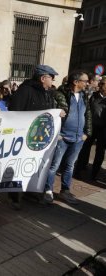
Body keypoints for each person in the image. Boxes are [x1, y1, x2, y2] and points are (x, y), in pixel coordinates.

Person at [9, 64, 63, 208]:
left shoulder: (48, 92)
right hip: (24, 137)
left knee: (35, 165)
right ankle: (15, 197)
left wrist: (57, 113)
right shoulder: (25, 90)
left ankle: (30, 191)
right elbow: (15, 111)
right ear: (43, 78)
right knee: (19, 167)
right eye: (51, 77)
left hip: (40, 137)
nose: (53, 80)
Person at [43, 71, 92, 205]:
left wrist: (86, 133)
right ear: (76, 82)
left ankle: (65, 191)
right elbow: (52, 114)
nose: (87, 83)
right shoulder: (60, 94)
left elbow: (88, 114)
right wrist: (57, 133)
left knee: (70, 166)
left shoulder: (84, 95)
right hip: (62, 137)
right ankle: (48, 190)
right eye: (85, 81)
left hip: (78, 138)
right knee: (54, 165)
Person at [75, 78, 106, 180]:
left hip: (103, 129)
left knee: (100, 151)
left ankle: (94, 173)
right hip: (92, 126)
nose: (104, 86)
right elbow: (87, 110)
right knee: (85, 148)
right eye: (103, 84)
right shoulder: (93, 96)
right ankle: (79, 169)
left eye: (105, 84)